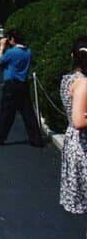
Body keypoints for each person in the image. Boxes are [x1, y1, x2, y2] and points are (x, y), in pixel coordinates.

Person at [0, 29, 45, 147]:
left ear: (12, 39)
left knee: (6, 113)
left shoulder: (12, 52)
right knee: (28, 112)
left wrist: (2, 47)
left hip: (11, 85)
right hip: (23, 84)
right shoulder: (28, 51)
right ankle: (36, 139)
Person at [60, 37, 87, 215]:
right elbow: (79, 121)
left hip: (72, 142)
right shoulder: (83, 83)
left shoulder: (67, 80)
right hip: (83, 145)